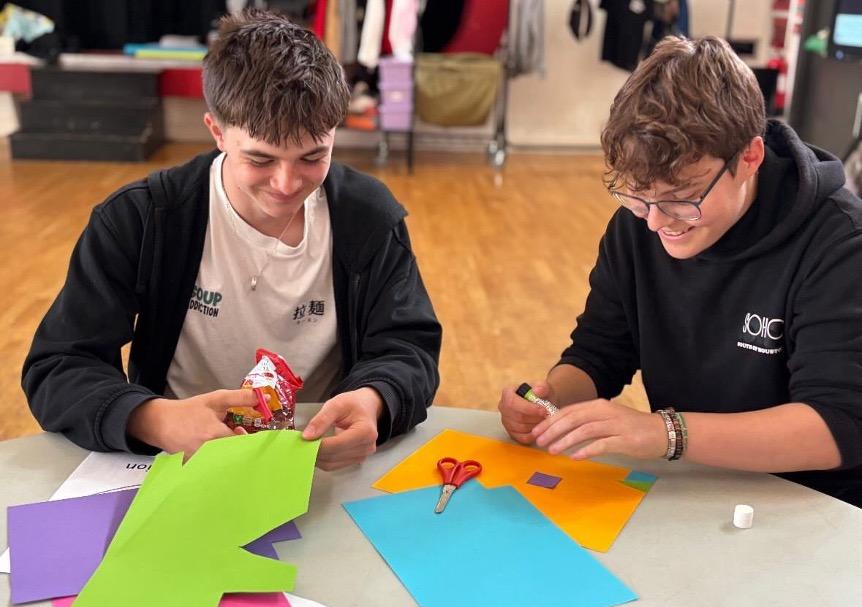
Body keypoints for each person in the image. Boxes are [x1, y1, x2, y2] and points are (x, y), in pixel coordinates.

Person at [22, 10, 441, 471]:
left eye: (312, 157)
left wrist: (374, 399)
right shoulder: (140, 219)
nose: (286, 183)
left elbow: (408, 348)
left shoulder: (369, 217)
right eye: (260, 159)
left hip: (316, 461)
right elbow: (58, 365)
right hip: (176, 461)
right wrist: (152, 418)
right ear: (217, 131)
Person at [498, 36, 862, 507]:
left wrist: (666, 433)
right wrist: (552, 401)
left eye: (683, 198)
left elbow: (839, 425)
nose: (656, 222)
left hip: (815, 505)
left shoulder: (840, 244)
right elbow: (599, 352)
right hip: (690, 486)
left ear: (749, 158)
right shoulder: (640, 223)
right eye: (638, 196)